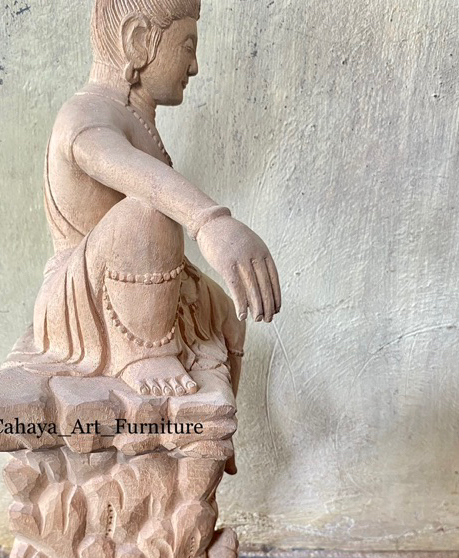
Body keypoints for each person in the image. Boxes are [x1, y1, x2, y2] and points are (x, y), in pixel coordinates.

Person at [31, 0, 281, 398]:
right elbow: (128, 171)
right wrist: (210, 222)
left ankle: (206, 423)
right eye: (187, 47)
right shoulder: (85, 116)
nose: (194, 66)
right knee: (148, 212)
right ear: (139, 41)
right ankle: (143, 355)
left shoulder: (132, 116)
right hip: (79, 300)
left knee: (227, 315)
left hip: (132, 284)